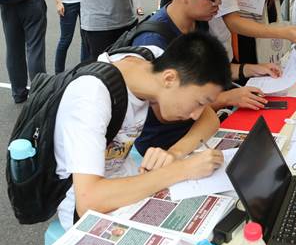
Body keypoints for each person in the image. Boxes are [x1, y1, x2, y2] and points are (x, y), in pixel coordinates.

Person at [54, 32, 233, 231]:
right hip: (88, 206)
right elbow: (88, 200)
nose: (196, 114)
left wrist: (175, 154)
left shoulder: (153, 61)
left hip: (129, 180)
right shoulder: (92, 97)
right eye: (198, 102)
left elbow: (210, 119)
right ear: (169, 79)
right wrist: (183, 169)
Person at [132, 0, 281, 158]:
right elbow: (179, 103)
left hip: (198, 130)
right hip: (163, 146)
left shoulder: (198, 22)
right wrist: (227, 98)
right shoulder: (153, 44)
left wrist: (250, 69)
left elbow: (205, 73)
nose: (218, 3)